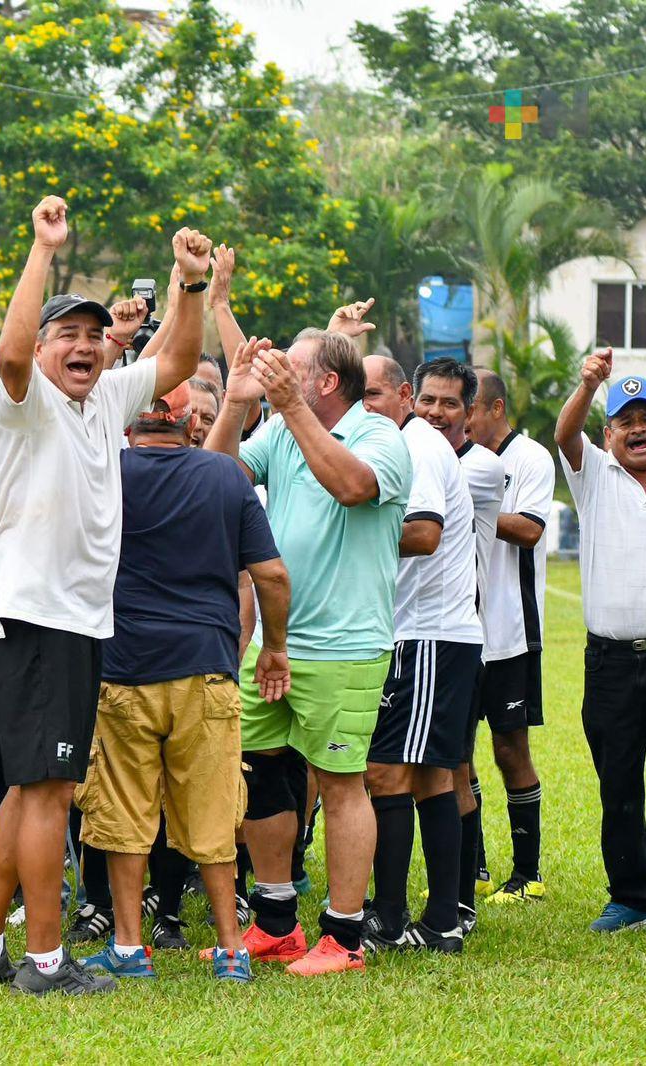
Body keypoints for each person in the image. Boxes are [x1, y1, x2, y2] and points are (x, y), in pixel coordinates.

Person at [0, 196, 205, 996]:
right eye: (68, 334)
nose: (86, 346)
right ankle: (45, 963)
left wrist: (190, 284)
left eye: (95, 336)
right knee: (50, 792)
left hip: (64, 618)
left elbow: (178, 359)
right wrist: (42, 249)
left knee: (32, 789)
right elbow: (9, 352)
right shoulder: (23, 401)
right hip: (40, 615)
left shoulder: (106, 397)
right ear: (42, 347)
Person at [203, 326, 411, 976]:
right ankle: (276, 923)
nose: (275, 373)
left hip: (345, 646)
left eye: (289, 369)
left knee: (343, 784)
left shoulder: (381, 436)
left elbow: (352, 486)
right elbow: (215, 479)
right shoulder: (279, 430)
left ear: (326, 381)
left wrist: (289, 408)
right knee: (259, 768)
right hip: (274, 644)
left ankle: (344, 937)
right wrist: (237, 403)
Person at [75, 384, 290, 984]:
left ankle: (128, 947)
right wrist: (274, 649)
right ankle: (231, 950)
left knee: (124, 816)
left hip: (124, 668)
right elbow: (272, 576)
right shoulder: (226, 477)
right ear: (191, 421)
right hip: (207, 669)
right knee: (215, 816)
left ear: (128, 423)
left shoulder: (105, 471)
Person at [358, 355, 482, 954]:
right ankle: (441, 922)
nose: (365, 405)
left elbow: (425, 533)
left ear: (402, 396)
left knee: (385, 772)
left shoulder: (418, 446)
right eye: (358, 394)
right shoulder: (399, 443)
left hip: (428, 635)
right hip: (428, 634)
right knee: (433, 776)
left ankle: (389, 918)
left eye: (374, 394)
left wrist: (353, 534)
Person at [555, 352, 646, 934]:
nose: (637, 429)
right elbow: (564, 434)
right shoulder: (595, 477)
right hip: (607, 660)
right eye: (624, 421)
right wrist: (587, 386)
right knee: (617, 781)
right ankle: (631, 898)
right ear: (607, 436)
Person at [414, 358, 504, 926]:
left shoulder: (481, 467)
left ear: (469, 412)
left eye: (450, 403)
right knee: (421, 770)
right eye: (427, 400)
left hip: (455, 638)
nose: (436, 412)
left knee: (451, 770)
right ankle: (449, 895)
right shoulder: (417, 452)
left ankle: (459, 898)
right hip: (419, 634)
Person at [466, 369, 553, 904]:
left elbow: (530, 529)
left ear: (495, 409)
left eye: (469, 408)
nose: (461, 419)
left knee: (509, 747)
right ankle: (471, 866)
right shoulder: (456, 457)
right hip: (455, 632)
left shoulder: (530, 458)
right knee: (453, 753)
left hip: (510, 631)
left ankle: (527, 874)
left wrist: (470, 505)